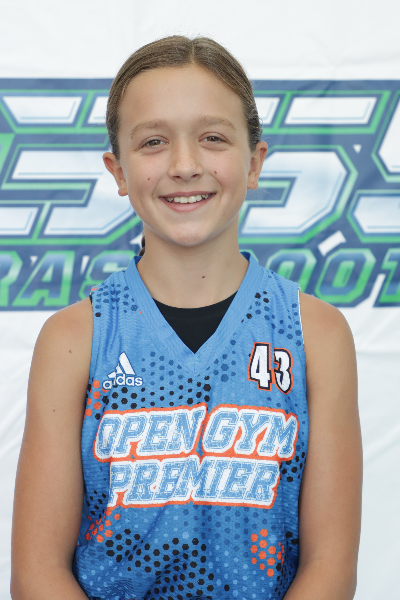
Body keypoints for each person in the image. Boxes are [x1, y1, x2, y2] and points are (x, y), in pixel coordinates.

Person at [11, 36, 362, 600]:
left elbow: (330, 569)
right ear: (118, 170)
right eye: (153, 142)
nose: (184, 165)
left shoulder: (314, 334)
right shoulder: (75, 339)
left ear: (254, 162)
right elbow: (37, 575)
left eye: (213, 138)